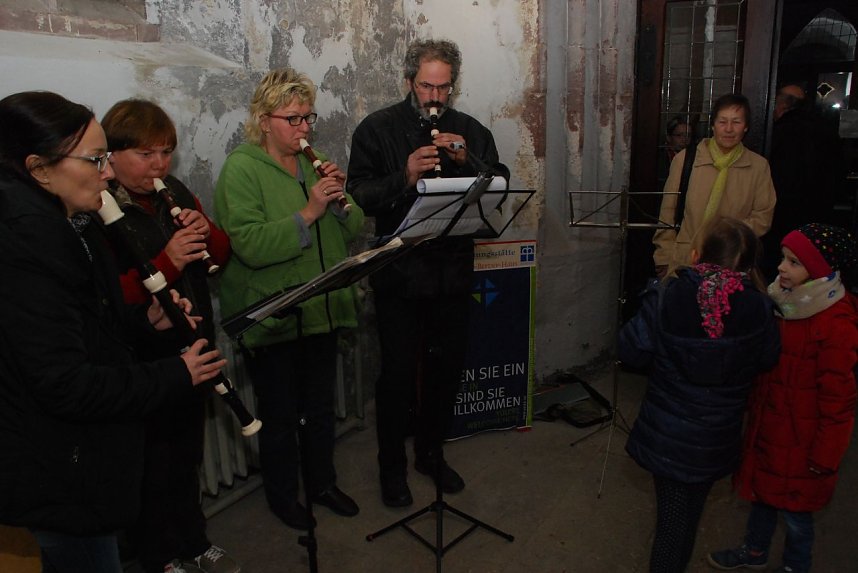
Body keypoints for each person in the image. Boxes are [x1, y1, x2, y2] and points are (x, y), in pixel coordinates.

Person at [0, 91, 225, 572]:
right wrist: (174, 374)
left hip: (80, 456)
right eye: (96, 159)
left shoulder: (65, 221)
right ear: (39, 168)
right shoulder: (26, 242)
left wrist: (148, 320)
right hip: (60, 469)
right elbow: (65, 383)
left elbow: (94, 323)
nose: (106, 173)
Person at [346, 38, 510, 507]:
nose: (434, 98)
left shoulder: (470, 130)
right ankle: (391, 468)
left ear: (452, 86)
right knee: (397, 376)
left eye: (443, 88)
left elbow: (497, 184)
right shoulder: (376, 129)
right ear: (408, 81)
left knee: (446, 369)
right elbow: (357, 194)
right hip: (400, 275)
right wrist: (405, 177)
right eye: (425, 86)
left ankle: (431, 454)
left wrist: (468, 162)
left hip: (453, 274)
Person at [214, 68, 365, 530]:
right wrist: (310, 210)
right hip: (273, 314)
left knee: (319, 409)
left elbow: (354, 227)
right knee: (279, 416)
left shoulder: (311, 162)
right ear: (263, 120)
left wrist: (341, 205)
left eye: (307, 118)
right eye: (292, 119)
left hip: (319, 307)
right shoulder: (241, 169)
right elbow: (249, 245)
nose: (304, 129)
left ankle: (321, 483)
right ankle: (283, 496)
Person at [100, 99, 237, 573]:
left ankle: (193, 540)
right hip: (144, 357)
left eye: (166, 152)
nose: (158, 165)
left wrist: (206, 231)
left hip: (192, 340)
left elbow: (220, 253)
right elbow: (106, 297)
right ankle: (159, 556)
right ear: (111, 155)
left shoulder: (172, 190)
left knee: (185, 455)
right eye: (145, 154)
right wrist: (168, 261)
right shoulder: (96, 208)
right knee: (152, 464)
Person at [619, 218, 780, 573]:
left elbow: (631, 351)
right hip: (717, 436)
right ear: (749, 265)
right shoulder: (760, 308)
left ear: (695, 256)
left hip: (670, 436)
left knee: (671, 527)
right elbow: (768, 358)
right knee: (688, 518)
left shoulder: (667, 295)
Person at [709, 223, 858, 573]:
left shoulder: (835, 323)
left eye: (794, 262)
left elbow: (839, 401)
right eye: (783, 259)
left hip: (804, 443)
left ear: (819, 271)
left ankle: (796, 565)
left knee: (795, 514)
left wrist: (826, 454)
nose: (781, 268)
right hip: (771, 428)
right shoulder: (783, 304)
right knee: (762, 495)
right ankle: (755, 551)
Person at [653, 93, 776, 279]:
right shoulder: (686, 160)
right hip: (685, 260)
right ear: (712, 125)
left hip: (733, 261)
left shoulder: (758, 166)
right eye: (722, 122)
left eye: (736, 122)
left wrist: (726, 238)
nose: (728, 129)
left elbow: (762, 217)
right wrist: (663, 256)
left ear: (746, 127)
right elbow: (667, 213)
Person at [761, 84, 844, 280]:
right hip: (818, 214)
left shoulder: (778, 133)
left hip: (782, 214)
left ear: (780, 105)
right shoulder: (826, 129)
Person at [657, 115, 692, 189]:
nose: (685, 140)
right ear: (669, 138)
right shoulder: (660, 157)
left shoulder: (694, 156)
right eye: (679, 135)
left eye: (688, 135)